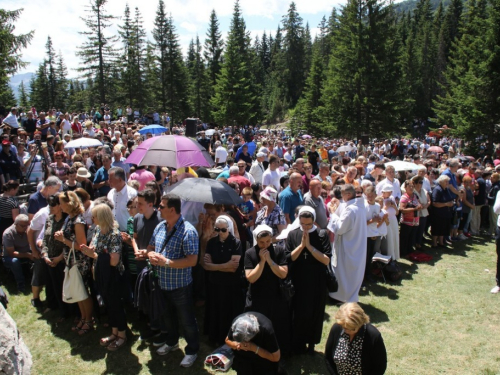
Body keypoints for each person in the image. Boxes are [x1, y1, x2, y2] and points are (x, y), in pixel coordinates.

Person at [147, 194, 200, 368]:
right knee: (167, 317)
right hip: (162, 283)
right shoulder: (160, 226)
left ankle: (192, 350)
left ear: (172, 209)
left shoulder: (188, 231)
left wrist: (167, 262)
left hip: (180, 286)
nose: (158, 209)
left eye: (161, 206)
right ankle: (172, 342)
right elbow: (151, 247)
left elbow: (192, 260)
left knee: (187, 321)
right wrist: (150, 255)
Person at [81, 204, 128, 351]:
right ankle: (114, 332)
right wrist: (91, 253)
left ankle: (122, 335)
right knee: (108, 303)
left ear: (101, 217)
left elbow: (114, 260)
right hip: (101, 273)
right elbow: (94, 248)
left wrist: (94, 255)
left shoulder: (114, 234)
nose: (92, 218)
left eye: (94, 216)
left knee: (116, 304)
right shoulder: (97, 230)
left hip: (113, 275)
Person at [286, 206, 331, 355]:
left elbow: (325, 260)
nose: (305, 228)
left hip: (316, 280)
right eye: (302, 224)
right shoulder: (293, 234)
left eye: (308, 224)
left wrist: (310, 247)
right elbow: (289, 257)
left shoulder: (321, 234)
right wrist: (301, 246)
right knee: (298, 312)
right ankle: (297, 343)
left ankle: (311, 342)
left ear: (313, 221)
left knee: (314, 312)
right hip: (298, 279)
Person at [244, 225, 290, 356]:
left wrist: (269, 260)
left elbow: (283, 274)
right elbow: (251, 278)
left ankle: (280, 353)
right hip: (258, 297)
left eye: (268, 242)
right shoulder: (250, 253)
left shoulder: (279, 251)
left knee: (278, 326)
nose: (265, 245)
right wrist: (262, 262)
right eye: (261, 243)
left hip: (276, 296)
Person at [55, 191, 93, 335]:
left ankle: (89, 319)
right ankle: (83, 317)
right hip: (70, 260)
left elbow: (82, 246)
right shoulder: (69, 219)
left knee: (83, 291)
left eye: (61, 203)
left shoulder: (78, 221)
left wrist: (63, 240)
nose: (60, 206)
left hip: (79, 261)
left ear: (69, 203)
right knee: (78, 291)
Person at [201, 216, 243, 345]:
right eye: (217, 229)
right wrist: (224, 265)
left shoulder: (236, 243)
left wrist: (215, 267)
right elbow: (206, 265)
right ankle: (214, 337)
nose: (220, 232)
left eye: (223, 230)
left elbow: (233, 268)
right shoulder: (212, 242)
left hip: (231, 285)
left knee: (228, 312)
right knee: (215, 311)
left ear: (229, 229)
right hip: (215, 284)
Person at [328, 184, 367, 303]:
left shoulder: (351, 210)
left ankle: (341, 296)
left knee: (344, 271)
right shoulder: (359, 207)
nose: (342, 197)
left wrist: (333, 213)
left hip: (348, 246)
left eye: (343, 195)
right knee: (352, 272)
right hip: (356, 244)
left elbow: (339, 228)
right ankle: (349, 295)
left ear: (349, 194)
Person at [325, 303, 387, 375]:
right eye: (344, 328)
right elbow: (328, 357)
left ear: (360, 323)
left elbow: (380, 366)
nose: (347, 331)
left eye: (352, 329)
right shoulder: (337, 328)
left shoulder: (373, 336)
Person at [41, 195, 69, 321]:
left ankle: (69, 312)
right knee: (54, 286)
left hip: (62, 259)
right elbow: (45, 239)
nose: (50, 208)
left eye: (53, 205)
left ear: (60, 206)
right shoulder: (49, 219)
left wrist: (59, 258)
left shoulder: (66, 221)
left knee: (64, 286)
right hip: (50, 259)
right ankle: (59, 309)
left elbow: (69, 242)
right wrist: (45, 255)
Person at [2, 215, 33, 293]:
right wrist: (28, 255)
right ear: (15, 224)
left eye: (26, 225)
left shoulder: (28, 230)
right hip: (10, 257)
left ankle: (37, 282)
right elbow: (11, 253)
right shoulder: (8, 233)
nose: (25, 228)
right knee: (15, 261)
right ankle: (21, 285)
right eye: (22, 226)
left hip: (27, 254)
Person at [107, 167, 137, 232]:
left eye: (111, 179)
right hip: (113, 232)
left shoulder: (132, 194)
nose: (108, 181)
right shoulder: (110, 193)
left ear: (120, 180)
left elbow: (136, 215)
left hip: (127, 232)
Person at [398, 180, 422, 257]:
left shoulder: (415, 196)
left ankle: (409, 251)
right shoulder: (404, 197)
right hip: (406, 221)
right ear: (405, 187)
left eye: (412, 186)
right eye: (409, 186)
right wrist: (414, 209)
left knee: (411, 237)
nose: (411, 188)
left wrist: (419, 207)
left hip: (414, 221)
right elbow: (402, 209)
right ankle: (403, 252)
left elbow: (418, 203)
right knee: (405, 238)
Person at [431, 175, 455, 248]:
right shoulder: (437, 190)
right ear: (441, 181)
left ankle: (441, 242)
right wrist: (446, 204)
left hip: (446, 213)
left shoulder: (446, 189)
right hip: (438, 213)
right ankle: (434, 243)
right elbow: (434, 203)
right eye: (446, 181)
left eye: (448, 181)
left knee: (443, 228)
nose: (447, 183)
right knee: (437, 228)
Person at [0, 180, 19, 247]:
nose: (17, 192)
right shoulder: (13, 202)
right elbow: (15, 218)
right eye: (16, 190)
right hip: (8, 225)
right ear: (12, 190)